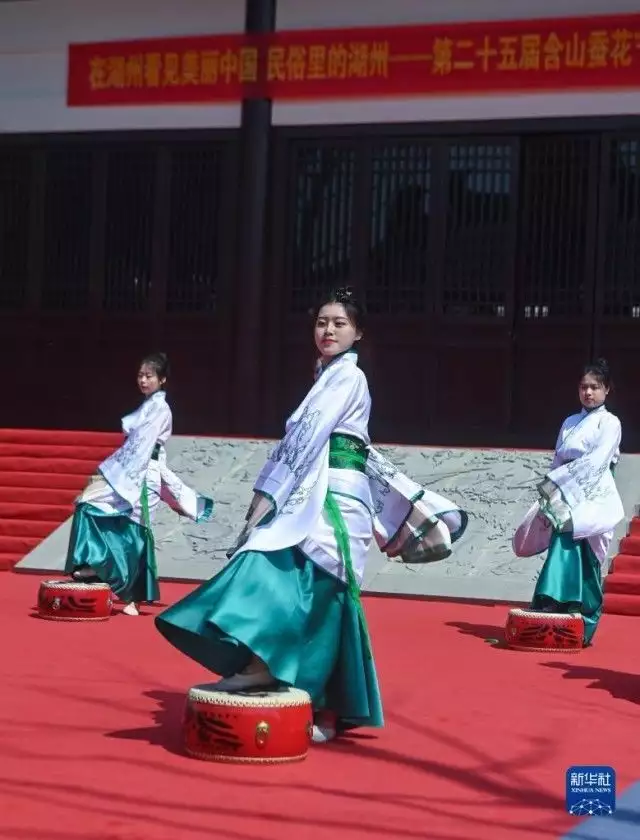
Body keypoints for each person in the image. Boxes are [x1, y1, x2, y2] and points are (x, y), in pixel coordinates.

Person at [155, 288, 468, 743]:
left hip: (334, 499)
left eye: (340, 323)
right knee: (283, 574)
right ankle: (267, 666)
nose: (328, 330)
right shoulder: (326, 376)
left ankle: (310, 697)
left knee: (309, 586)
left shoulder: (347, 378)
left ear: (358, 333)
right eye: (322, 322)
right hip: (311, 491)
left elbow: (307, 436)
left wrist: (266, 497)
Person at [65, 352, 214, 616]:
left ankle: (132, 595)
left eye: (149, 376)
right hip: (132, 468)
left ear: (162, 379)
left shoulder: (160, 409)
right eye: (140, 375)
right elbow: (134, 445)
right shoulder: (148, 406)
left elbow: (142, 446)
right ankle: (95, 563)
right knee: (88, 504)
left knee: (137, 529)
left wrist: (112, 470)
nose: (143, 380)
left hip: (145, 473)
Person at [513, 358, 623, 646]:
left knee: (585, 547)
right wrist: (551, 493)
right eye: (583, 387)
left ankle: (581, 616)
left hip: (593, 490)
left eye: (595, 387)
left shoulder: (610, 422)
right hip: (565, 488)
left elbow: (597, 462)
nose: (588, 393)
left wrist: (570, 488)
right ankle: (551, 603)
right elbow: (557, 461)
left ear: (607, 390)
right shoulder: (569, 422)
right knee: (561, 540)